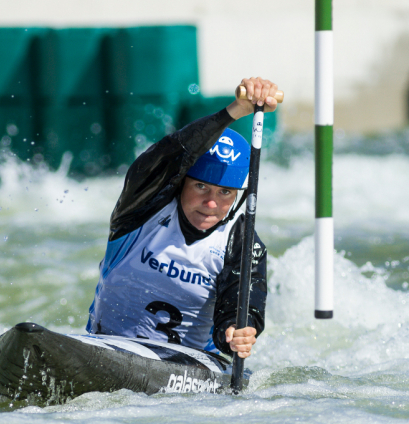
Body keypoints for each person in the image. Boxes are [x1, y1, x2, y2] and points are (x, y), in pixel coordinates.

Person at [86, 77, 279, 359]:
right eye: (201, 186)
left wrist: (236, 332)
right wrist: (233, 112)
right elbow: (166, 155)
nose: (211, 203)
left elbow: (240, 304)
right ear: (181, 183)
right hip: (107, 351)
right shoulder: (141, 208)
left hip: (187, 374)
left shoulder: (242, 243)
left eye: (225, 192)